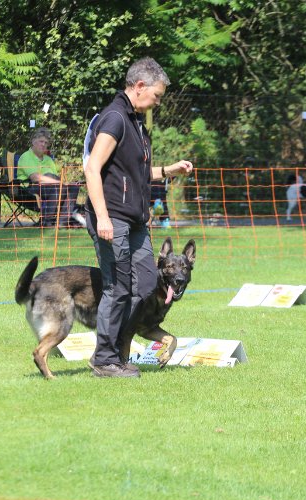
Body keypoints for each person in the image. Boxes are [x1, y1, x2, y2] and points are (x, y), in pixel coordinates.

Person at [83, 57, 193, 378]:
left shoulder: (137, 124)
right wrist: (102, 217)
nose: (158, 102)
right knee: (117, 287)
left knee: (146, 285)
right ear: (140, 86)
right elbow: (92, 168)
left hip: (135, 222)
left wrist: (169, 170)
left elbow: (137, 174)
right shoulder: (115, 118)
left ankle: (119, 350)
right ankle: (104, 360)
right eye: (157, 95)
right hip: (112, 217)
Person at [17, 128, 82, 227]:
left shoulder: (48, 160)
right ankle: (47, 221)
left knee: (73, 187)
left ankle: (62, 222)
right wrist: (59, 183)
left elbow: (56, 179)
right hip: (29, 189)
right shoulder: (26, 156)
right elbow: (35, 177)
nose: (43, 144)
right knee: (53, 180)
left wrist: (63, 184)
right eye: (41, 141)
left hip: (50, 189)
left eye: (46, 143)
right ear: (33, 141)